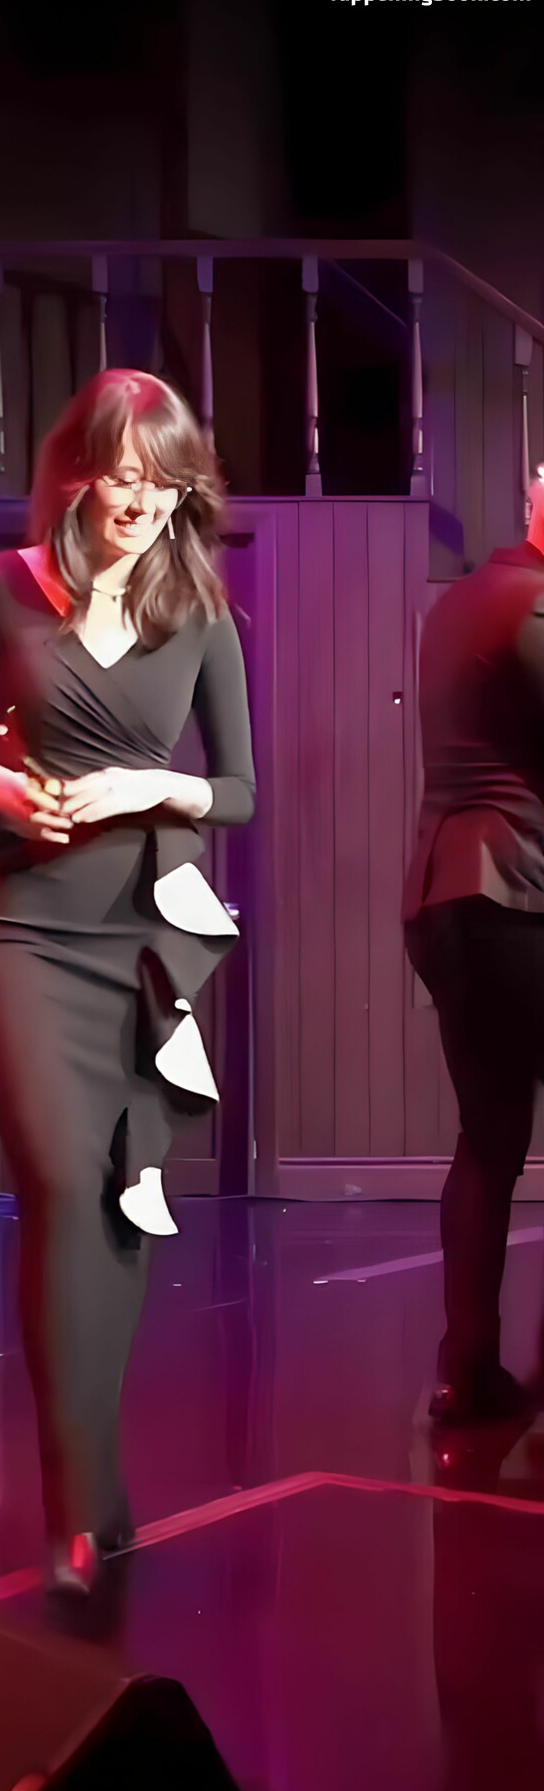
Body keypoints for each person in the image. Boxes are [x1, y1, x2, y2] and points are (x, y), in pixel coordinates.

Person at [0, 370, 255, 1595]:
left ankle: (96, 1481)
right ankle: (73, 1501)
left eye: (166, 481)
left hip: (144, 934)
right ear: (76, 476)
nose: (145, 500)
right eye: (124, 475)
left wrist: (151, 784)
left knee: (116, 1201)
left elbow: (238, 789)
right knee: (59, 1183)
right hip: (19, 926)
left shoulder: (200, 610)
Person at [404, 472, 544, 1426]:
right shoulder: (531, 605)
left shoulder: (460, 600)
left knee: (488, 1139)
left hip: (443, 897)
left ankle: (466, 1369)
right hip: (512, 897)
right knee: (490, 1140)